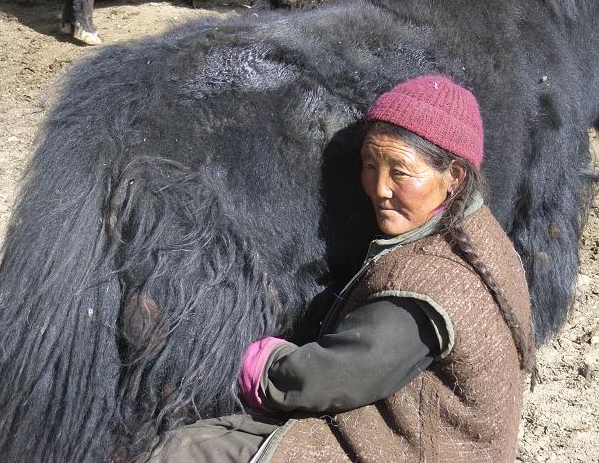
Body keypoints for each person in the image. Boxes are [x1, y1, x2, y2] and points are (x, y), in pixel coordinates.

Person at [143, 75, 535, 463]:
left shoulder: (427, 290)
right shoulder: (485, 236)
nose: (379, 188)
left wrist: (255, 365)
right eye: (369, 164)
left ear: (454, 176)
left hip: (410, 447)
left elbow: (327, 378)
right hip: (431, 434)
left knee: (180, 452)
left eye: (399, 171)